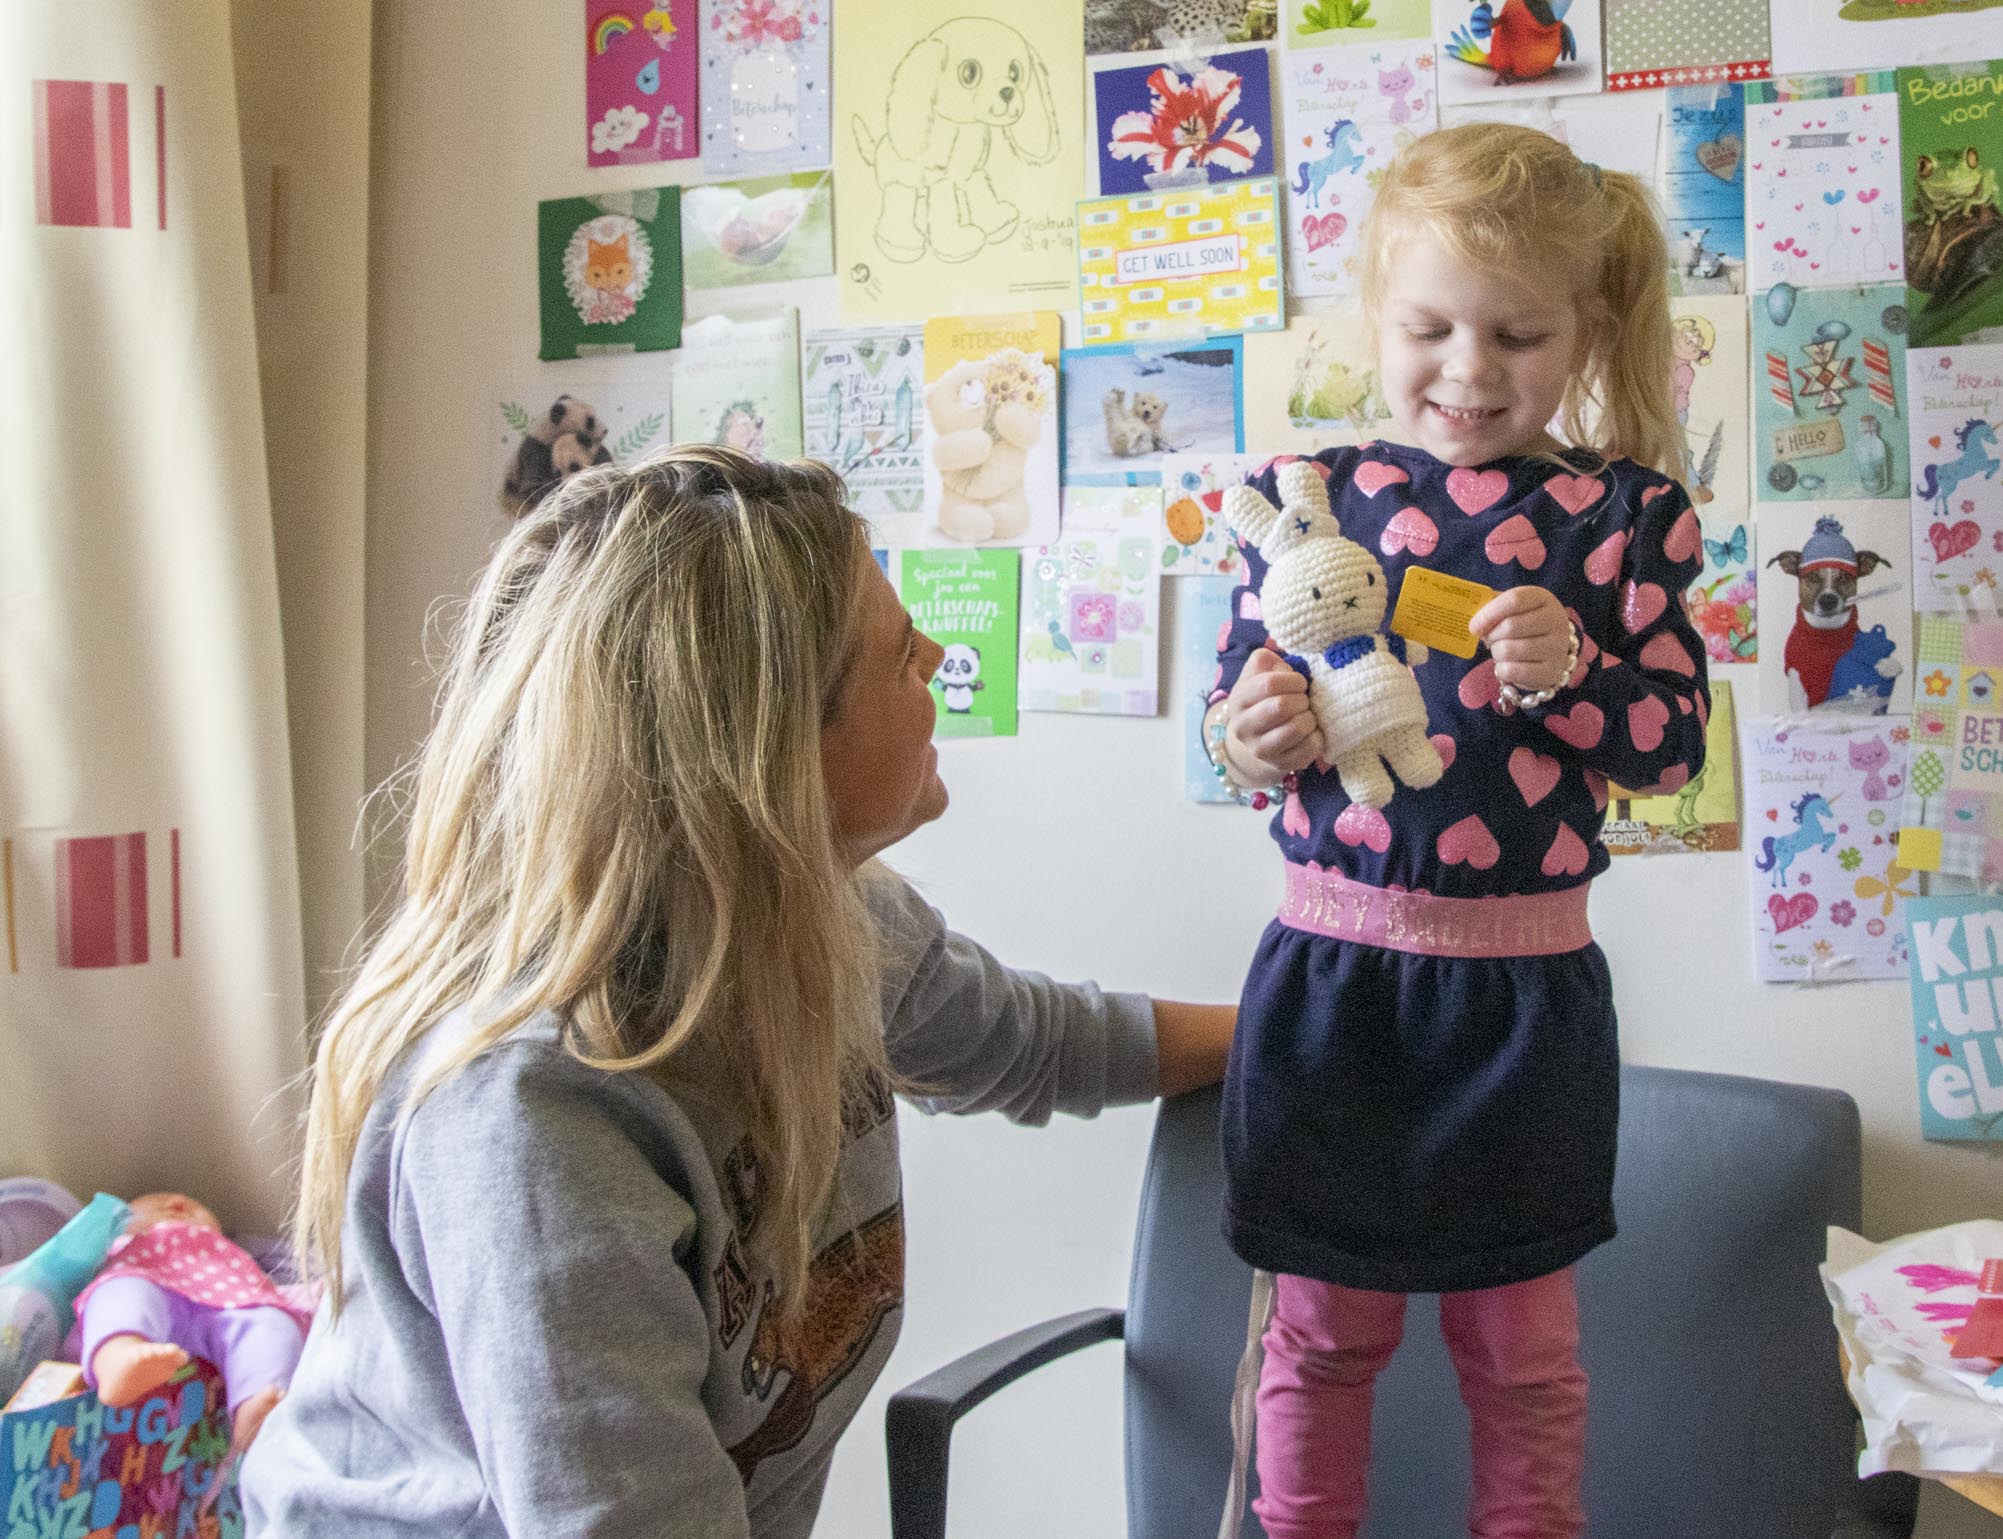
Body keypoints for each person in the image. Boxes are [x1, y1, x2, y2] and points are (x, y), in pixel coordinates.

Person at [240, 446, 1232, 1538]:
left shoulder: (826, 921)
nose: (939, 656)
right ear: (770, 760)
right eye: (903, 654)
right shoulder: (538, 1122)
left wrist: (1309, 1029)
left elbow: (1036, 1043)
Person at [1201, 123, 1710, 1539]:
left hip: (1522, 997)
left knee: (1525, 1355)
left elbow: (1670, 746)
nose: (1471, 372)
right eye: (1429, 328)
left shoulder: (1624, 519)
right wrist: (1248, 735)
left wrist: (1576, 677)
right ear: (1375, 315)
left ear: (1589, 330)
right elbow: (1235, 728)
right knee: (1319, 1337)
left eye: (1519, 333)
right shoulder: (1308, 499)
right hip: (1329, 983)